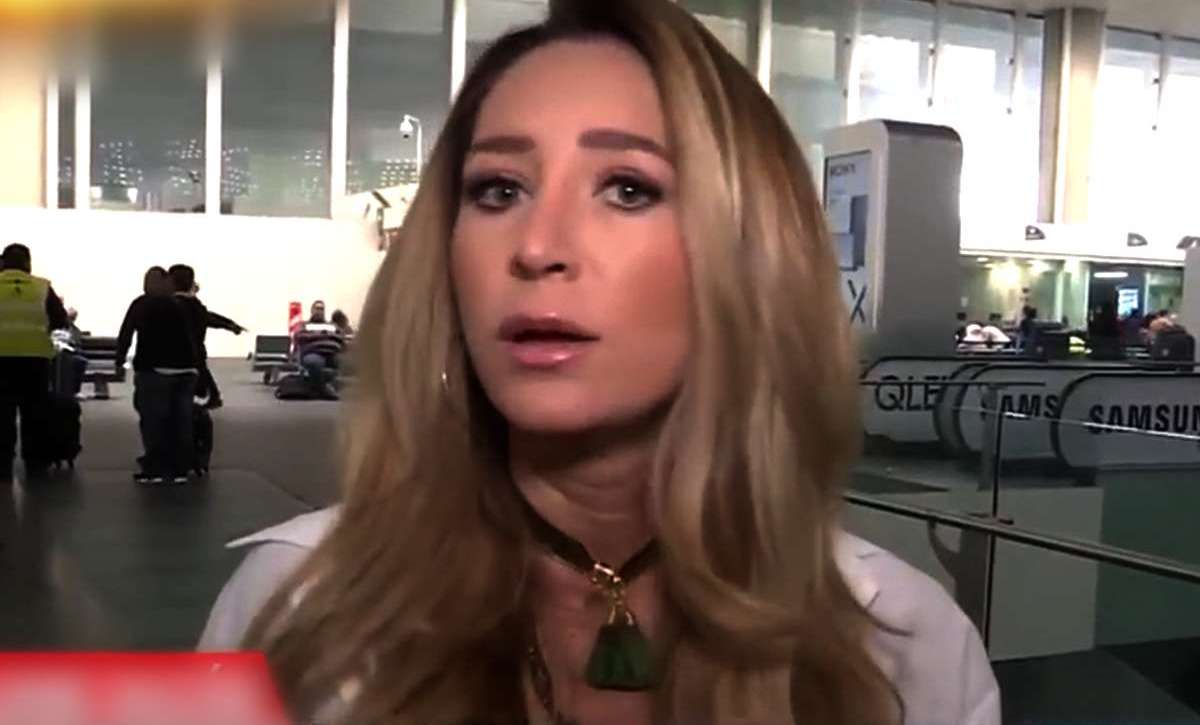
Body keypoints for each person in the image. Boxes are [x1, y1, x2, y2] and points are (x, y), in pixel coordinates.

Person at [199, 3, 998, 723]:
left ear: (749, 253)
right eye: (499, 190)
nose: (537, 246)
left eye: (626, 188)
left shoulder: (905, 647)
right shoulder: (296, 611)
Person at [116, 266, 199, 484]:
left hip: (155, 370)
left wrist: (119, 360)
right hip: (186, 370)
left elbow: (126, 333)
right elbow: (193, 338)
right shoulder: (179, 305)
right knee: (181, 420)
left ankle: (155, 468)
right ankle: (180, 469)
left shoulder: (141, 304)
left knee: (153, 420)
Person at [0, 243, 69, 480]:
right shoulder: (42, 287)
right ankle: (35, 463)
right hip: (35, 359)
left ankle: (2, 464)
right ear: (28, 263)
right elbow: (60, 320)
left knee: (2, 414)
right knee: (35, 413)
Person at [293, 316, 347, 400]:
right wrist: (324, 335)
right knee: (314, 362)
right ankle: (323, 389)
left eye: (321, 309)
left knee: (346, 360)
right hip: (313, 352)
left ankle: (326, 387)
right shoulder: (304, 326)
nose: (318, 311)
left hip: (332, 352)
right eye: (317, 309)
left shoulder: (332, 326)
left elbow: (341, 337)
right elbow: (299, 336)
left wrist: (317, 335)